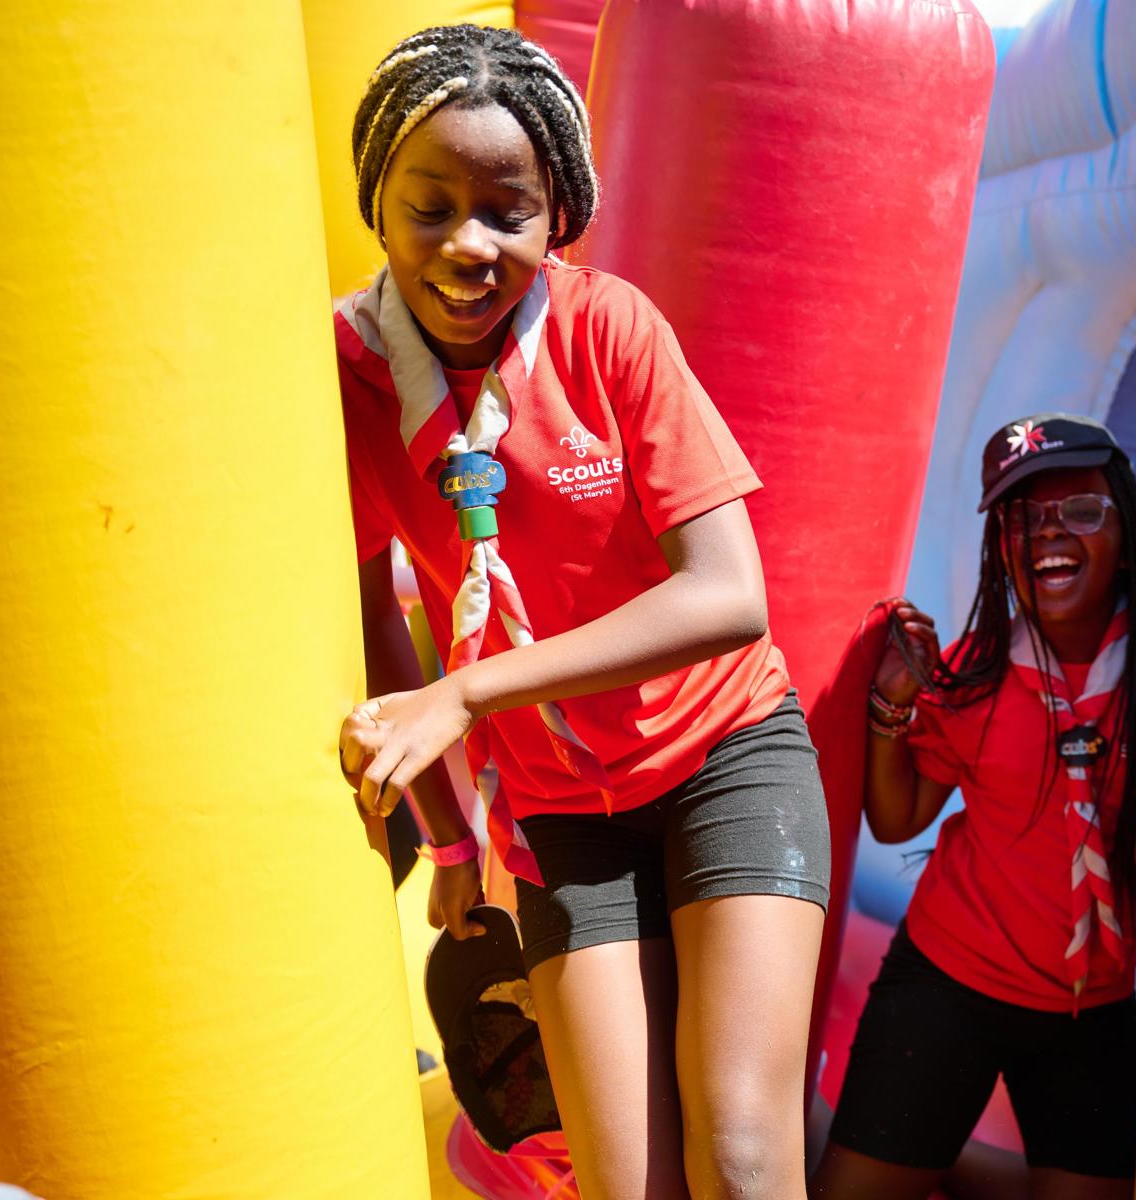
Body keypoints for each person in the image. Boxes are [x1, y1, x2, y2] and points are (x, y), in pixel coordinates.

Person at [329, 27, 829, 1199]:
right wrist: (452, 839)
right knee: (623, 1184)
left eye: (507, 209)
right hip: (566, 813)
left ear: (557, 216)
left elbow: (728, 595)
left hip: (724, 757)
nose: (467, 244)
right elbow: (373, 615)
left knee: (746, 1162)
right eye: (430, 206)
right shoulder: (349, 376)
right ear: (378, 208)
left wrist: (468, 692)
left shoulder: (609, 329)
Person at [812, 415, 1136, 1200]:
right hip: (946, 982)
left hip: (1089, 1013)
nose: (1049, 532)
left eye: (1080, 510)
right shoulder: (977, 670)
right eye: (1021, 517)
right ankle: (926, 1147)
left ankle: (950, 1160)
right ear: (1000, 547)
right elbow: (897, 822)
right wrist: (889, 710)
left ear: (1125, 524)